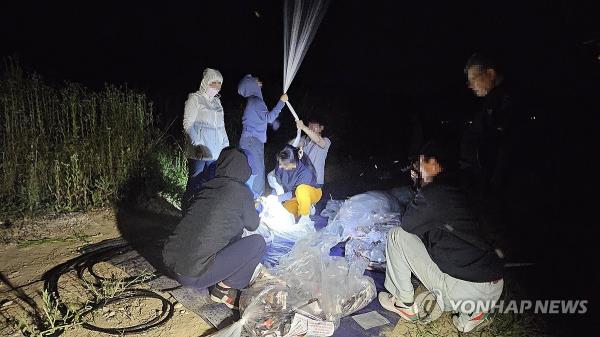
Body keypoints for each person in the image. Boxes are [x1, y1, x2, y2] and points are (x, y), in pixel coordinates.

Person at [378, 140, 504, 333]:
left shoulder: (435, 192)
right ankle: (473, 314)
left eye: (420, 164)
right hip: (494, 286)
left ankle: (403, 303)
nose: (417, 169)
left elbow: (408, 225)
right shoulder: (469, 184)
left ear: (433, 164)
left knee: (397, 236)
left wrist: (419, 186)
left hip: (464, 291)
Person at [162, 147, 265, 309]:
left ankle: (216, 276)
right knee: (258, 243)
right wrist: (256, 208)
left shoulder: (207, 186)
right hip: (192, 275)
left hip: (171, 263)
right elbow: (253, 225)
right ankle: (223, 289)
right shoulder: (242, 191)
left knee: (228, 230)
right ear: (244, 169)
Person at [461, 53, 514, 195]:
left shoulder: (504, 101)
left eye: (473, 79)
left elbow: (506, 144)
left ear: (490, 73)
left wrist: (494, 182)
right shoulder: (492, 101)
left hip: (498, 187)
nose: (470, 86)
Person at [181, 68, 229, 214]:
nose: (217, 87)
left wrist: (226, 147)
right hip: (200, 152)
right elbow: (187, 124)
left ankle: (202, 213)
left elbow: (222, 127)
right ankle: (187, 211)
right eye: (214, 83)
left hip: (215, 152)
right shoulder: (194, 99)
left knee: (210, 183)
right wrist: (197, 145)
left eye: (219, 84)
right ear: (206, 82)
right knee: (195, 182)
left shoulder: (217, 102)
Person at [238, 74, 289, 196]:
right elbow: (269, 117)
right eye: (256, 81)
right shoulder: (256, 101)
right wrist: (281, 102)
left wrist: (274, 122)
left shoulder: (252, 101)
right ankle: (256, 200)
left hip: (249, 140)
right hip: (252, 141)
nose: (259, 82)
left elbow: (262, 119)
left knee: (251, 171)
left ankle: (248, 198)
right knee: (257, 171)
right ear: (251, 85)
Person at [268, 145, 321, 222]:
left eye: (284, 165)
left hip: (311, 192)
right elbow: (277, 185)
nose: (280, 166)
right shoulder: (281, 164)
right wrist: (273, 196)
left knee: (301, 190)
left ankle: (305, 218)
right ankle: (307, 208)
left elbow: (295, 192)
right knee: (287, 216)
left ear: (293, 162)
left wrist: (278, 198)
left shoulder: (305, 171)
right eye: (279, 163)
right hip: (292, 197)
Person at [291, 117, 331, 188]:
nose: (310, 127)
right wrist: (299, 139)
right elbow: (290, 145)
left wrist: (303, 127)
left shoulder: (326, 141)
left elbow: (318, 140)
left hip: (315, 183)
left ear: (321, 128)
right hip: (303, 181)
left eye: (314, 125)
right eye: (309, 125)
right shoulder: (305, 143)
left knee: (301, 192)